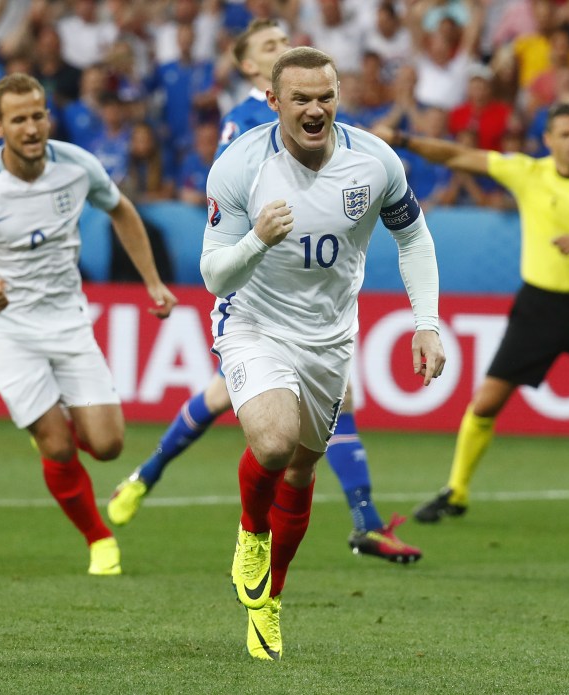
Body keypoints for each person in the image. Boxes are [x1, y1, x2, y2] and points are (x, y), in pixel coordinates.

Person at [108, 18, 426, 566]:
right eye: (270, 47)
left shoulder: (328, 123)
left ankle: (150, 475)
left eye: (286, 41)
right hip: (255, 305)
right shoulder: (244, 132)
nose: (285, 48)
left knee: (283, 422)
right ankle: (357, 519)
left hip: (313, 309)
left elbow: (405, 227)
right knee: (261, 422)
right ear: (254, 71)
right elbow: (227, 221)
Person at [197, 46, 444, 662]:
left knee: (304, 470)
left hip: (329, 337)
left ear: (339, 96)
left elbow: (412, 236)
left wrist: (427, 323)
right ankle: (251, 535)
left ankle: (270, 602)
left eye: (325, 97)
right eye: (300, 98)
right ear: (274, 101)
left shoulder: (375, 162)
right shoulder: (239, 168)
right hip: (253, 320)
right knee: (274, 444)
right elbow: (213, 275)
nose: (315, 109)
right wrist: (257, 238)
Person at [374, 102, 569, 533]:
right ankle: (455, 492)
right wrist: (401, 140)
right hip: (538, 307)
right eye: (566, 135)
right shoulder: (527, 172)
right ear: (548, 140)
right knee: (487, 401)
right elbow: (458, 156)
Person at [0, 73, 177, 576]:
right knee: (58, 444)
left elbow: (123, 211)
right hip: (4, 326)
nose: (31, 127)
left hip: (67, 319)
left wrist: (152, 282)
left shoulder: (76, 166)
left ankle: (58, 428)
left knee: (109, 446)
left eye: (38, 115)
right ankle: (98, 540)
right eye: (19, 119)